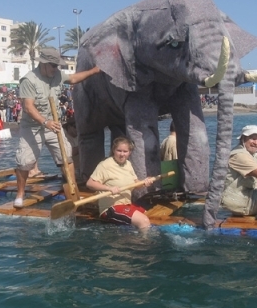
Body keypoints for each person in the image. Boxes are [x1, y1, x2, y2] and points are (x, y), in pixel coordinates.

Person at [13, 48, 101, 209]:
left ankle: (73, 189)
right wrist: (45, 122)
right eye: (53, 65)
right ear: (44, 64)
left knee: (66, 157)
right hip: (33, 126)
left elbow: (74, 78)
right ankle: (20, 194)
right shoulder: (29, 80)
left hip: (53, 124)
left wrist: (94, 71)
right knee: (25, 162)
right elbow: (28, 107)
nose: (56, 69)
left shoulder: (58, 75)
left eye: (57, 65)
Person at [86, 137, 154, 230]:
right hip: (111, 208)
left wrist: (145, 182)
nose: (122, 154)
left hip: (126, 205)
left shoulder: (128, 164)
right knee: (143, 221)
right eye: (119, 151)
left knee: (151, 216)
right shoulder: (105, 165)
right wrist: (109, 188)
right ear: (114, 150)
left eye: (125, 151)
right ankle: (143, 244)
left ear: (129, 152)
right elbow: (90, 183)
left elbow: (136, 183)